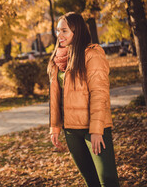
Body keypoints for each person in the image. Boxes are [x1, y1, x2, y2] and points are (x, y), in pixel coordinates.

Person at [47, 12, 119, 187]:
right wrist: (55, 127)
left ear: (76, 31)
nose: (59, 35)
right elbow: (55, 96)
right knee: (91, 181)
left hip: (94, 129)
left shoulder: (92, 54)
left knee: (107, 180)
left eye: (64, 31)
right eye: (58, 31)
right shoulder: (58, 58)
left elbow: (99, 94)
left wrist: (96, 130)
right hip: (71, 130)